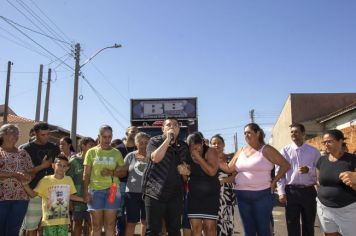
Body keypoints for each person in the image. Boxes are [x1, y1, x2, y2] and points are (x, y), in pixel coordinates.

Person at [221, 123, 290, 236]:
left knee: (263, 229)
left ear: (257, 133)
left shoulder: (266, 149)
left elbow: (285, 165)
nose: (246, 135)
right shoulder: (241, 150)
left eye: (249, 132)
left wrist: (274, 181)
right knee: (248, 229)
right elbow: (229, 169)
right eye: (244, 133)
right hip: (241, 195)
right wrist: (214, 160)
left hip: (262, 195)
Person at [142, 118, 190, 236]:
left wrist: (186, 172)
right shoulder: (154, 141)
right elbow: (155, 158)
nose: (172, 127)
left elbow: (187, 170)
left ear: (179, 129)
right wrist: (168, 139)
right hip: (154, 191)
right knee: (153, 230)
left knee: (174, 230)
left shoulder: (183, 146)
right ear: (163, 129)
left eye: (175, 125)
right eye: (168, 125)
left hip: (175, 194)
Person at [23, 155, 85, 235]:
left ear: (67, 168)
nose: (61, 167)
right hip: (49, 221)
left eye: (64, 166)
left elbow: (69, 196)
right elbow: (33, 195)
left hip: (64, 221)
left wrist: (83, 199)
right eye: (59, 165)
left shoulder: (68, 180)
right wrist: (25, 185)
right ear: (53, 165)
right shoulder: (45, 180)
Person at [276, 123, 320, 236]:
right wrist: (281, 192)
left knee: (309, 224)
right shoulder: (285, 151)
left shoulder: (314, 151)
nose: (293, 134)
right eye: (291, 132)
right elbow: (279, 173)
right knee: (292, 224)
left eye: (296, 131)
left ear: (303, 133)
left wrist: (309, 170)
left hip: (308, 191)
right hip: (291, 192)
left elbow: (321, 170)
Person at [83, 125, 126, 236]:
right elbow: (86, 174)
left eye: (109, 137)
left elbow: (124, 173)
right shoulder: (91, 152)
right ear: (99, 137)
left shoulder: (116, 153)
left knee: (110, 225)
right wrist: (85, 192)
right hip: (95, 191)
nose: (107, 140)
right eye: (104, 137)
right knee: (96, 225)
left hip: (113, 190)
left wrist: (111, 173)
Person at [21, 122, 60, 236]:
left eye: (48, 134)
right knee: (31, 226)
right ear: (35, 133)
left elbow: (61, 166)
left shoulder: (54, 147)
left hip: (52, 191)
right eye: (43, 134)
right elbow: (22, 173)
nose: (46, 137)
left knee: (48, 226)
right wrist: (42, 166)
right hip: (34, 192)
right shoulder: (25, 149)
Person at [316, 129, 356, 236]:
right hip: (324, 207)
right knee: (330, 234)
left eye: (329, 141)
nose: (326, 145)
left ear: (340, 141)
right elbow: (319, 181)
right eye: (324, 142)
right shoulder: (321, 160)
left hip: (347, 209)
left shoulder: (353, 160)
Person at [0, 124, 33, 236]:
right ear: (3, 135)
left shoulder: (23, 153)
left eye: (17, 133)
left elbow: (31, 171)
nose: (16, 136)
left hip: (21, 198)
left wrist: (28, 176)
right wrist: (13, 174)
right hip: (2, 197)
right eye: (12, 133)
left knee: (13, 230)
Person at [186, 132, 220, 236]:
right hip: (194, 196)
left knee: (209, 227)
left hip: (210, 196)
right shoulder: (187, 153)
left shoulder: (211, 151)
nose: (195, 150)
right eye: (192, 148)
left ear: (202, 143)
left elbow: (212, 172)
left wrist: (199, 158)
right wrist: (184, 172)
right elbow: (186, 176)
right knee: (195, 228)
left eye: (198, 147)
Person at [66, 137, 95, 236]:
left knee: (91, 223)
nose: (93, 147)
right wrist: (70, 200)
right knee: (77, 223)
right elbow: (68, 181)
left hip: (92, 197)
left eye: (94, 145)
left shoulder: (94, 161)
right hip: (77, 198)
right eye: (90, 145)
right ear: (82, 145)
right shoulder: (74, 161)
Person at [124, 132, 151, 236]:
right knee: (131, 222)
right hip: (131, 193)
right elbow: (122, 171)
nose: (144, 145)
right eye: (141, 142)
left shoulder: (153, 156)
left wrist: (147, 160)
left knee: (146, 222)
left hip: (148, 193)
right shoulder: (130, 156)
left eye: (146, 143)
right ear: (136, 143)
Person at [210, 134, 236, 236]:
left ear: (224, 145)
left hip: (226, 195)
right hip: (210, 196)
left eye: (219, 143)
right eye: (214, 143)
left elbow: (236, 177)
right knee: (211, 223)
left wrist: (223, 180)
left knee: (226, 221)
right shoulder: (207, 159)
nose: (216, 145)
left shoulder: (230, 159)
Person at [116, 126, 138, 236]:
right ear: (126, 133)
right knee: (119, 212)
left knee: (131, 213)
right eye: (132, 131)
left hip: (134, 185)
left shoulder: (139, 149)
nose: (134, 133)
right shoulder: (118, 148)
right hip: (120, 183)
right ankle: (120, 232)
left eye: (137, 132)